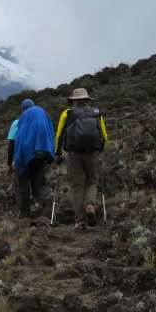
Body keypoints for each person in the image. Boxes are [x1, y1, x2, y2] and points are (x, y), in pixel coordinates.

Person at [54, 88, 108, 231]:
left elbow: (59, 135)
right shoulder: (96, 113)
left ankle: (80, 220)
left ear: (74, 101)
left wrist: (57, 153)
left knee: (77, 186)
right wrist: (100, 150)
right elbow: (104, 135)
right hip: (92, 153)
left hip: (73, 154)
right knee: (92, 181)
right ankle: (89, 204)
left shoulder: (68, 113)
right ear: (88, 100)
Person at [8, 99, 56, 219]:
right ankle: (45, 200)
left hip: (24, 157)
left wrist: (9, 163)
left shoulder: (17, 123)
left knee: (22, 186)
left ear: (22, 109)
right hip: (40, 155)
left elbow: (12, 144)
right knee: (39, 185)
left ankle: (24, 215)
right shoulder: (42, 120)